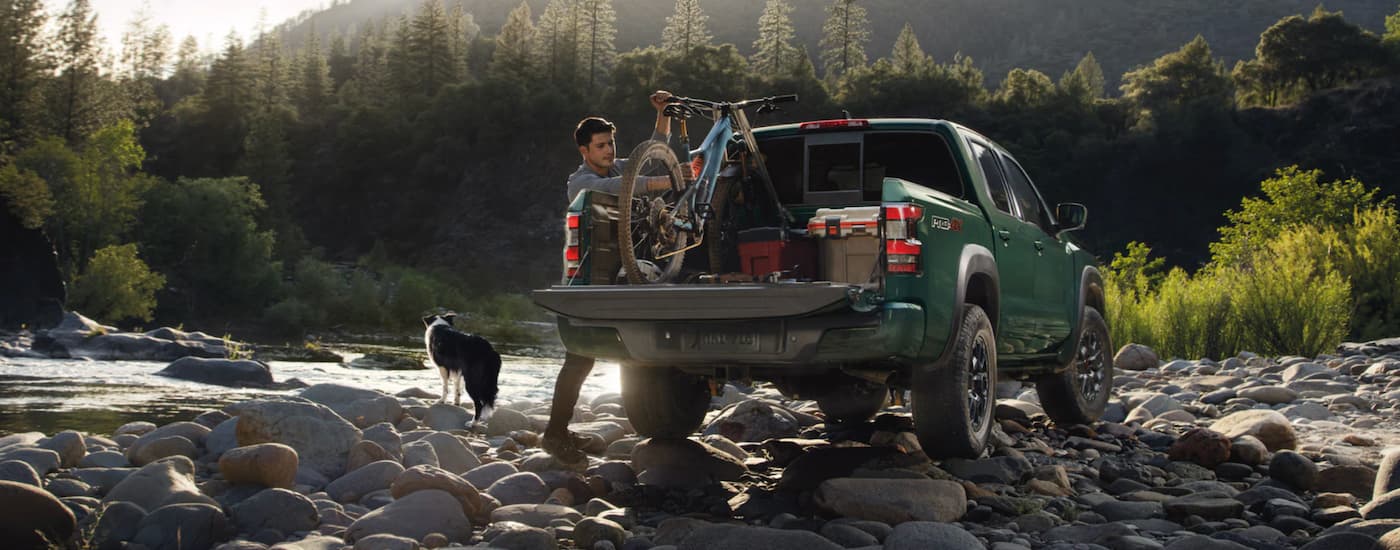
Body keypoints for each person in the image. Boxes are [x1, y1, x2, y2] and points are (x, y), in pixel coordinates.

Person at [544, 90, 675, 463]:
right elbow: (623, 187)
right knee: (579, 359)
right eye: (600, 145)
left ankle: (563, 432)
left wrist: (662, 114)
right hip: (586, 280)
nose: (608, 149)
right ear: (584, 150)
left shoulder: (618, 166)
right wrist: (666, 184)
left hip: (623, 275)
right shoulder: (580, 182)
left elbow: (651, 157)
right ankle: (554, 435)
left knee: (624, 352)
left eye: (611, 143)